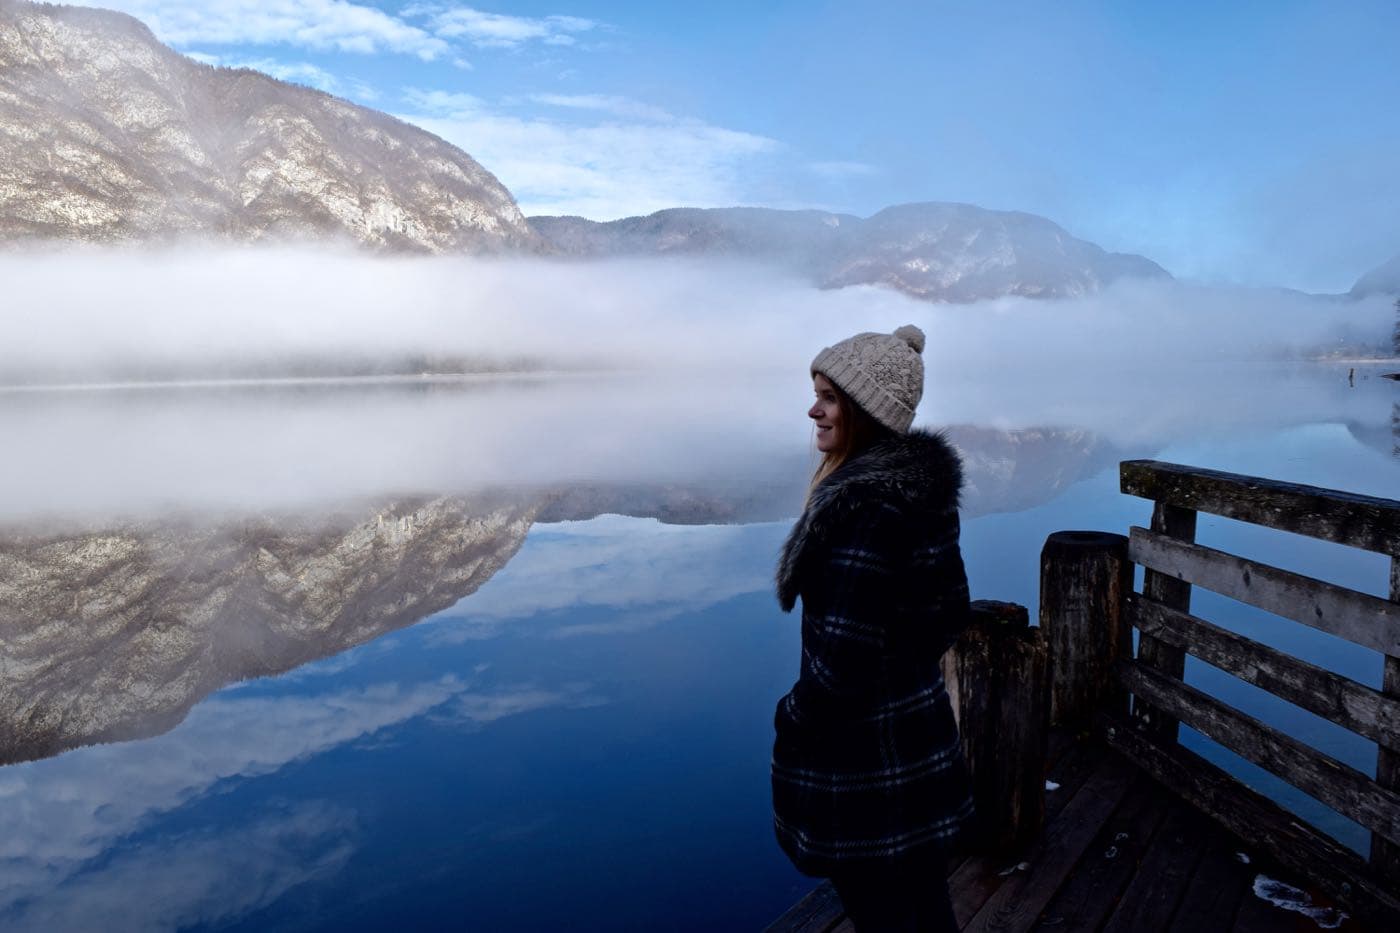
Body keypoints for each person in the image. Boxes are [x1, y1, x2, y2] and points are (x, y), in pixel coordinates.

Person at [772, 325, 973, 932]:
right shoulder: (918, 493)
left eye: (829, 396)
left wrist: (791, 716)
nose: (814, 408)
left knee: (880, 915)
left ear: (864, 410)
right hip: (917, 737)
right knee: (925, 905)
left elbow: (838, 669)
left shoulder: (864, 508)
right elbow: (948, 611)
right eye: (817, 393)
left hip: (866, 767)